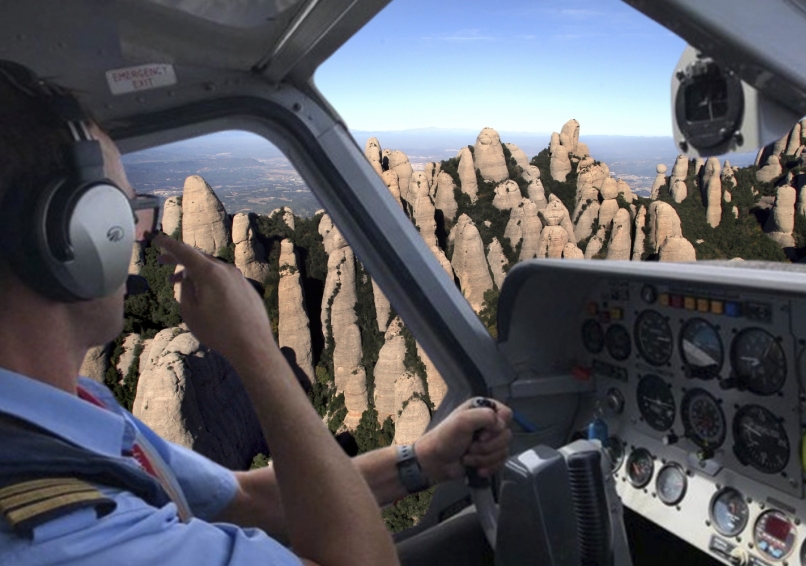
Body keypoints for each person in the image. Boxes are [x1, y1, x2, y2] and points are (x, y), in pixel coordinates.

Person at [0, 61, 513, 565]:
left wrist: (422, 460)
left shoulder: (75, 409)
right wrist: (255, 349)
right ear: (68, 238)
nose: (139, 234)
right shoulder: (64, 537)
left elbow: (248, 499)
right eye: (123, 213)